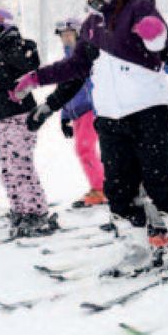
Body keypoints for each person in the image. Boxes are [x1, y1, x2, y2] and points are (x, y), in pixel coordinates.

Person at [12, 0, 168, 274]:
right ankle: (137, 250)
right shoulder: (91, 25)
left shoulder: (139, 7)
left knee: (160, 182)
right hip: (111, 118)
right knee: (118, 188)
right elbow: (75, 67)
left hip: (149, 111)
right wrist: (37, 78)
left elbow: (164, 46)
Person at [0, 6, 58, 237]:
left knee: (21, 166)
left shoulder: (14, 45)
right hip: (2, 117)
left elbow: (31, 65)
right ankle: (20, 209)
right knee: (8, 167)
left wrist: (15, 44)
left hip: (20, 115)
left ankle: (37, 212)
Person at [52, 18, 106, 208]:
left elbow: (94, 86)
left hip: (90, 110)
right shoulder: (65, 62)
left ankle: (101, 189)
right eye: (63, 36)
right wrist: (64, 118)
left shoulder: (87, 58)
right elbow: (63, 92)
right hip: (76, 114)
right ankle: (103, 186)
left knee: (85, 149)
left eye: (70, 34)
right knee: (86, 150)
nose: (66, 39)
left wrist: (98, 110)